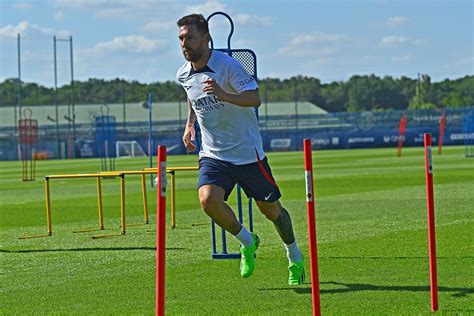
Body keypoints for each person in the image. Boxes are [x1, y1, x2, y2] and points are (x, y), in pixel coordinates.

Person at [176, 13, 305, 285]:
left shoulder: (228, 66)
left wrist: (225, 95)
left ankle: (294, 256)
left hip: (247, 154)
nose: (184, 43)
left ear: (206, 38)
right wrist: (190, 126)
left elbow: (255, 98)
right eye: (181, 39)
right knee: (207, 200)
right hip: (213, 153)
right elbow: (192, 97)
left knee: (271, 211)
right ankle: (247, 241)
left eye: (189, 38)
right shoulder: (183, 74)